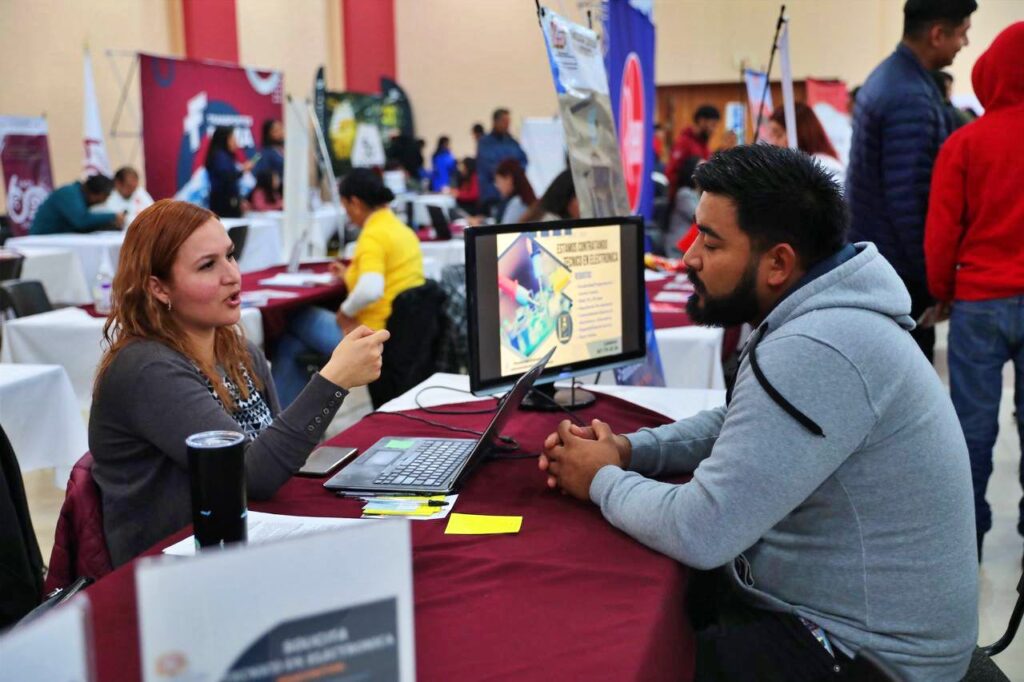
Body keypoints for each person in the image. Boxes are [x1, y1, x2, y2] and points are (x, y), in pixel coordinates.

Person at [539, 145, 977, 681]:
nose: (689, 257)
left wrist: (599, 478)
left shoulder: (819, 346)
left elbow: (700, 531)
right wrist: (632, 450)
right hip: (874, 634)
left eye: (711, 241)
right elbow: (739, 421)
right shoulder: (825, 316)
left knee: (611, 649)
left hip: (870, 662)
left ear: (778, 263)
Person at [89, 199, 388, 566]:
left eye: (230, 256)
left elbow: (281, 458)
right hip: (172, 570)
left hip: (244, 543)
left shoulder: (238, 350)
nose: (231, 275)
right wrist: (333, 380)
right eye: (207, 265)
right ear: (159, 289)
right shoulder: (147, 368)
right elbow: (250, 476)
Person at [925, 22, 1024, 562]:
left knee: (971, 429)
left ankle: (969, 541)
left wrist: (942, 291)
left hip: (979, 301)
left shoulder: (964, 143)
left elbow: (942, 231)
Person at [846, 0, 976, 363]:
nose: (964, 44)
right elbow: (910, 201)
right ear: (937, 34)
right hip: (899, 274)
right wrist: (933, 282)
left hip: (882, 262)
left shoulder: (893, 77)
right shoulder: (909, 96)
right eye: (962, 34)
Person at [272, 169, 424, 407]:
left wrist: (345, 313)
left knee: (295, 317)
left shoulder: (373, 235)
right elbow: (384, 276)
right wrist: (349, 275)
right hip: (403, 335)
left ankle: (277, 418)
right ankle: (285, 417)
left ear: (354, 202)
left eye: (345, 206)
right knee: (293, 346)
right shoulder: (401, 231)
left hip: (372, 335)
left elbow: (370, 289)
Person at [766, 103, 846, 185]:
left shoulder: (825, 166)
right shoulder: (790, 169)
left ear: (800, 133)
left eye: (779, 134)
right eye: (771, 136)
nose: (773, 143)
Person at [30, 174, 124, 235]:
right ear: (97, 194)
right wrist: (113, 216)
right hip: (43, 240)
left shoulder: (78, 195)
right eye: (105, 197)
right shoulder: (69, 193)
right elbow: (81, 220)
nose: (104, 201)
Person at [476, 108, 528, 214]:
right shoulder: (485, 143)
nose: (507, 125)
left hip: (513, 194)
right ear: (495, 122)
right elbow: (489, 166)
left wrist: (515, 176)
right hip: (493, 195)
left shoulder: (512, 142)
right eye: (504, 122)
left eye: (508, 122)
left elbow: (523, 160)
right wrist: (506, 176)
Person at [665, 104, 720, 192]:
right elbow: (671, 173)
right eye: (712, 125)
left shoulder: (704, 146)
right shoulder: (684, 142)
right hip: (684, 198)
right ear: (702, 121)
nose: (714, 130)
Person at [205, 126, 252, 218]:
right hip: (223, 204)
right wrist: (242, 171)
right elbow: (227, 178)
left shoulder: (224, 156)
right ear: (224, 139)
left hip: (225, 202)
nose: (236, 142)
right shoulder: (220, 157)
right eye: (232, 138)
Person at [665, 155, 702, 257]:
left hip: (693, 245)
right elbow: (700, 217)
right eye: (702, 169)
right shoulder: (684, 194)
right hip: (679, 247)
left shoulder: (702, 194)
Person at [492, 159, 536, 223]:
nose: (498, 186)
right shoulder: (526, 202)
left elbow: (504, 230)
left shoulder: (516, 204)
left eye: (498, 182)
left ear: (509, 179)